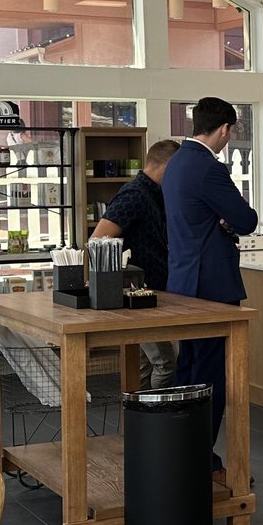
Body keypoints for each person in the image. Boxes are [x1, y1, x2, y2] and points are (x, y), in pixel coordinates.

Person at [162, 98, 257, 451]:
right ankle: (200, 456)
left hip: (183, 281)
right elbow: (247, 220)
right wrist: (226, 219)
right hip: (211, 286)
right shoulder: (208, 167)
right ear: (224, 129)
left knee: (188, 368)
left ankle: (181, 449)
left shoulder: (175, 163)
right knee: (210, 376)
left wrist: (218, 218)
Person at [91, 138, 181, 389]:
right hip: (138, 296)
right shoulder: (135, 194)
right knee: (166, 363)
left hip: (151, 294)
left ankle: (139, 423)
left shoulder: (156, 195)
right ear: (169, 166)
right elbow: (98, 240)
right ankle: (158, 421)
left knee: (143, 365)